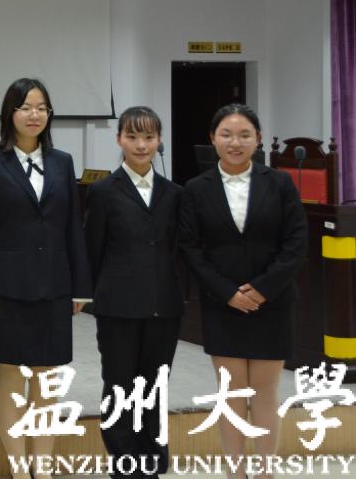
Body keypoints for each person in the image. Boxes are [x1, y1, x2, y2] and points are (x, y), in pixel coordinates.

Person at [0, 77, 90, 479]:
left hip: (54, 284)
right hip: (6, 287)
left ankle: (43, 467)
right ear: (10, 113)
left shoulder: (63, 162)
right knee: (10, 374)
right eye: (25, 107)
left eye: (41, 107)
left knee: (46, 379)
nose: (33, 114)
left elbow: (73, 227)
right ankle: (20, 469)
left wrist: (80, 286)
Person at [177, 104, 306, 479]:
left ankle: (265, 472)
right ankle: (235, 473)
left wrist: (263, 289)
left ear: (258, 139)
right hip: (223, 304)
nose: (235, 142)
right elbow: (191, 248)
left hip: (273, 302)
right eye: (227, 135)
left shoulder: (280, 183)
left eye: (245, 135)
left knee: (265, 392)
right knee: (231, 393)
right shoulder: (195, 189)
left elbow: (296, 243)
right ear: (212, 139)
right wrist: (228, 292)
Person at [84, 106, 183, 479]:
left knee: (155, 387)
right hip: (118, 308)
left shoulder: (175, 193)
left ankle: (152, 461)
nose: (141, 145)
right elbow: (93, 249)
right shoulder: (103, 192)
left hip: (164, 307)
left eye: (149, 137)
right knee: (120, 385)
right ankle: (124, 463)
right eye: (132, 136)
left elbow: (179, 250)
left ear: (159, 141)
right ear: (119, 139)